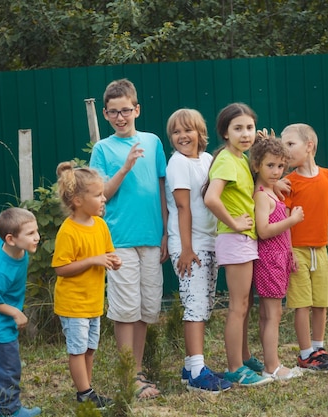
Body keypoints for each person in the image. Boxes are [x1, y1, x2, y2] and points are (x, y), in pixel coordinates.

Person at [89, 78, 167, 400]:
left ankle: (137, 370)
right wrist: (124, 168)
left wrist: (165, 232)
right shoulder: (102, 149)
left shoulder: (153, 141)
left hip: (151, 237)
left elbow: (161, 188)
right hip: (119, 239)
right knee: (125, 309)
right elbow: (100, 193)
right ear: (106, 115)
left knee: (147, 307)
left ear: (137, 109)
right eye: (113, 112)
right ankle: (130, 375)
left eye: (126, 110)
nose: (121, 117)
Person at [203, 103, 272, 387]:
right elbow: (211, 198)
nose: (245, 134)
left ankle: (243, 358)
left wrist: (264, 146)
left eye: (249, 128)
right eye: (238, 128)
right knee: (237, 305)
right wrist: (233, 223)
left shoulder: (242, 159)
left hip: (245, 240)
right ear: (225, 132)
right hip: (235, 239)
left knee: (246, 303)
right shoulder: (226, 160)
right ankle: (234, 368)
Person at [164, 108, 232, 393]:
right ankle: (196, 372)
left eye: (188, 130)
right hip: (190, 247)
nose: (182, 136)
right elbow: (182, 206)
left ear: (200, 133)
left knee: (204, 304)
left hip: (209, 242)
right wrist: (186, 249)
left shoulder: (207, 160)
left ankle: (191, 365)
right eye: (176, 132)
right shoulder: (178, 163)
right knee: (194, 306)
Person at [281, 123, 328, 372]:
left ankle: (318, 348)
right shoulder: (288, 182)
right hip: (297, 251)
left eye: (290, 144)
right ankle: (304, 354)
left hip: (321, 250)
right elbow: (286, 218)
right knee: (302, 303)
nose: (285, 150)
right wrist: (288, 251)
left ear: (309, 146)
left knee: (321, 301)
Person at [51, 161, 122, 408]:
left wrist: (113, 260)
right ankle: (84, 393)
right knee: (78, 350)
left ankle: (87, 391)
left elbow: (107, 253)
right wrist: (93, 260)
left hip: (93, 302)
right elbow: (61, 268)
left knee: (90, 349)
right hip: (73, 304)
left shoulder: (100, 225)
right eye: (98, 195)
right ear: (78, 200)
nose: (104, 199)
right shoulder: (68, 231)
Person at [0, 207, 42, 417]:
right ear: (12, 239)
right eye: (30, 234)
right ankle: (10, 410)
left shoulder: (8, 247)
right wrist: (15, 312)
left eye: (36, 231)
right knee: (8, 367)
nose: (37, 237)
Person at [249, 129, 304, 381]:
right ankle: (272, 366)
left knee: (268, 315)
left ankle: (270, 363)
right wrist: (292, 220)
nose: (276, 171)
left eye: (281, 166)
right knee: (273, 315)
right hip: (269, 261)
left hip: (279, 259)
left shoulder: (272, 190)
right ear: (257, 165)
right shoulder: (262, 195)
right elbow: (264, 230)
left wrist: (290, 251)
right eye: (270, 165)